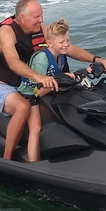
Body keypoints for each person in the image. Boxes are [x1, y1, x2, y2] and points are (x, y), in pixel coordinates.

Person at [0, 0, 106, 161]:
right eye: (37, 17)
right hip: (3, 85)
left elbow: (64, 46)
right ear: (22, 17)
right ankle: (6, 159)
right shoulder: (6, 32)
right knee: (23, 107)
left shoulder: (39, 28)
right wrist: (40, 77)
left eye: (41, 15)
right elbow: (13, 62)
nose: (41, 20)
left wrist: (96, 59)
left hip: (30, 84)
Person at [17, 18, 76, 162]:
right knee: (36, 129)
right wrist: (60, 80)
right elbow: (40, 91)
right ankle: (34, 164)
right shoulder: (41, 59)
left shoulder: (61, 56)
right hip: (30, 95)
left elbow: (62, 76)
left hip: (49, 92)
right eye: (61, 42)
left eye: (67, 40)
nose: (66, 44)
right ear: (49, 43)